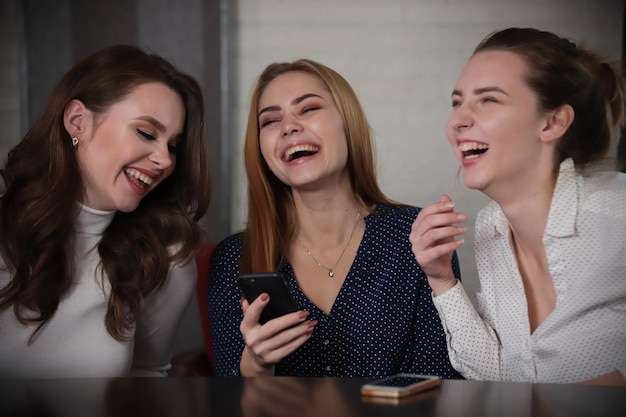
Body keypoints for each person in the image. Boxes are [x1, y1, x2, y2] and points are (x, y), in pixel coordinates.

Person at [208, 58, 463, 379]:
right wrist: (256, 366)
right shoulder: (233, 258)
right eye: (270, 120)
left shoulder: (417, 237)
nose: (288, 126)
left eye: (309, 109)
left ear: (348, 122)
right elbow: (227, 402)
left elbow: (443, 384)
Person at [410, 27, 626, 385]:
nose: (458, 120)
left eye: (488, 100)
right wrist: (441, 279)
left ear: (552, 122)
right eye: (457, 102)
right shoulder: (491, 229)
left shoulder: (615, 214)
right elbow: (497, 374)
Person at [0, 44, 211, 378]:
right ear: (77, 121)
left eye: (172, 146)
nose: (166, 159)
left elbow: (148, 376)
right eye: (146, 132)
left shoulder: (166, 258)